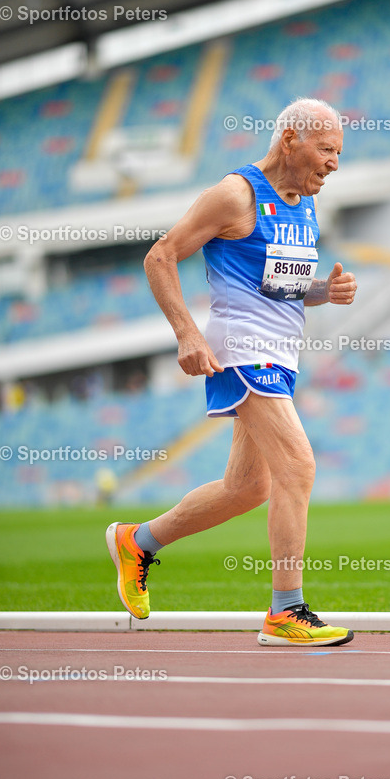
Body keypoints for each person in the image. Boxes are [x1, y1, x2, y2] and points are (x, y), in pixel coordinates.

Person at [106, 98, 357, 647]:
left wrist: (324, 292)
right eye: (327, 149)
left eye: (340, 152)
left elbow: (279, 286)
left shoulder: (303, 205)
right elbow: (161, 256)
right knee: (299, 467)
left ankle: (137, 542)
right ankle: (285, 612)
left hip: (281, 356)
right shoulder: (235, 195)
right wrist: (187, 334)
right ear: (290, 139)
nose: (335, 163)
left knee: (247, 488)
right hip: (244, 352)